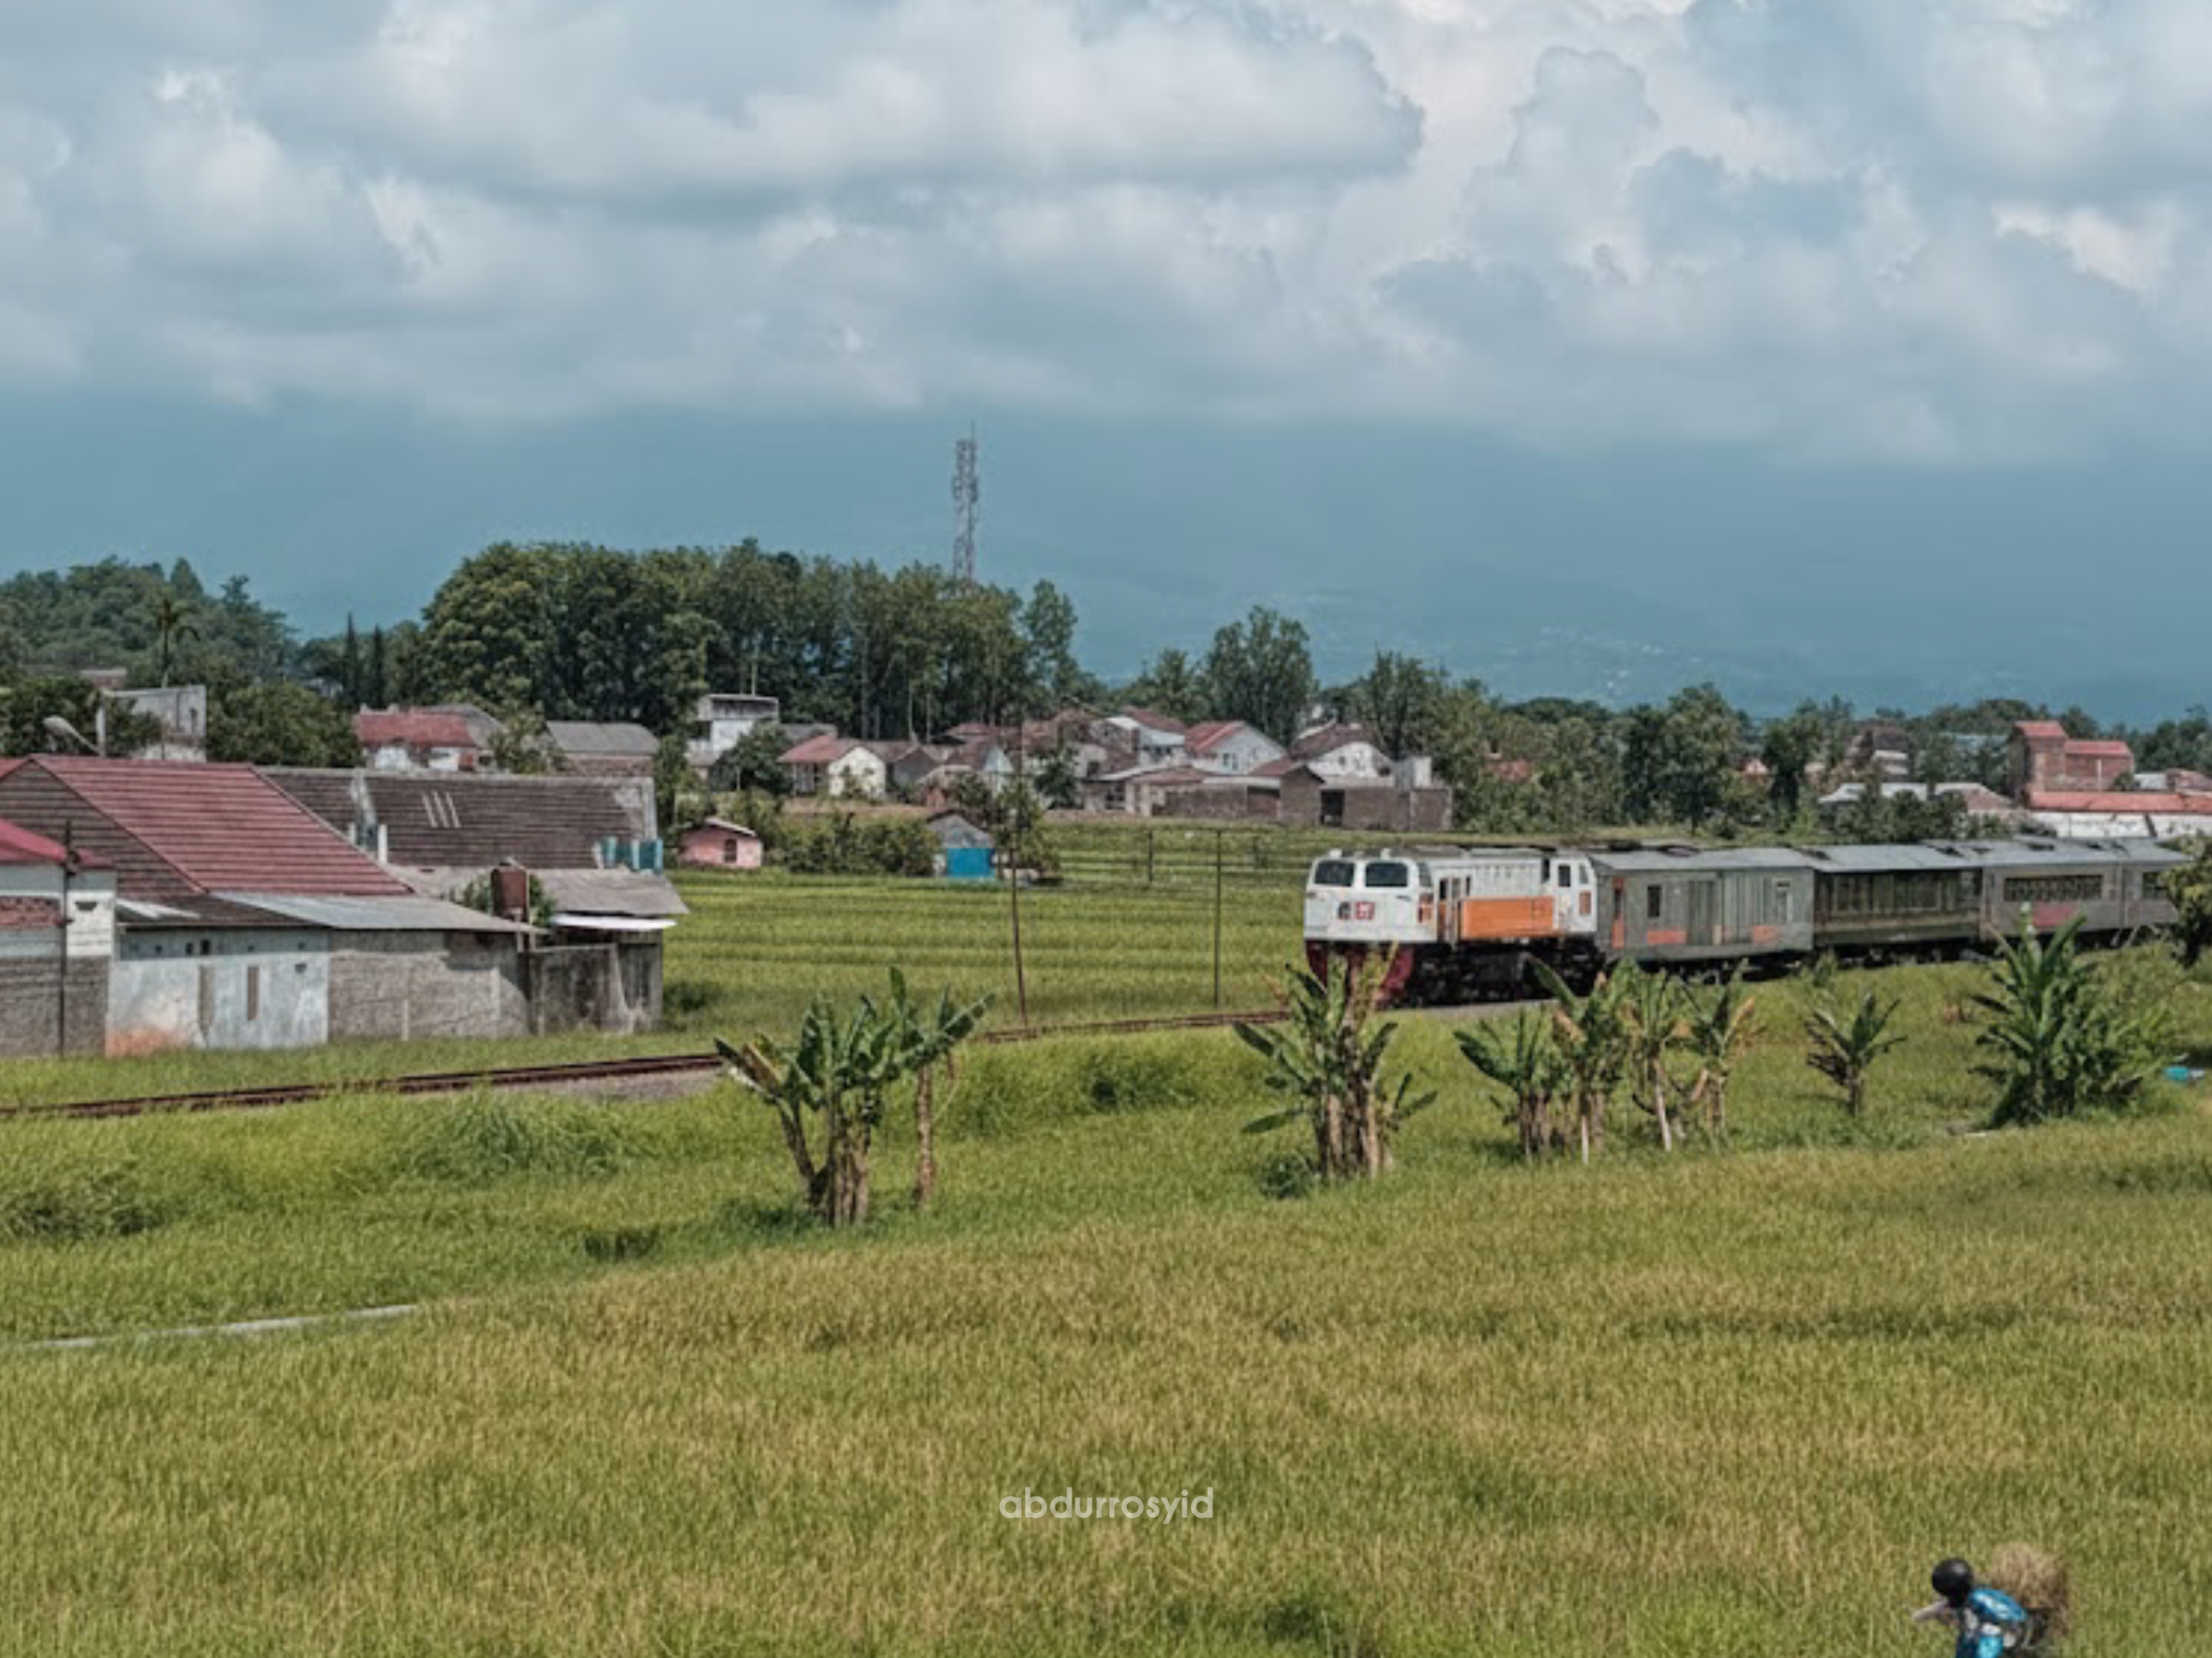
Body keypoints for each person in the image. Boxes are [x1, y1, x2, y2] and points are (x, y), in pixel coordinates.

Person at [1912, 1558, 2037, 1657]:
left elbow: (2013, 1620)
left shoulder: (1978, 1600)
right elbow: (1947, 1606)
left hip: (2005, 1634)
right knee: (1968, 1640)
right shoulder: (1971, 1593)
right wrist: (1924, 1614)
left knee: (1976, 1639)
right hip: (1997, 1631)